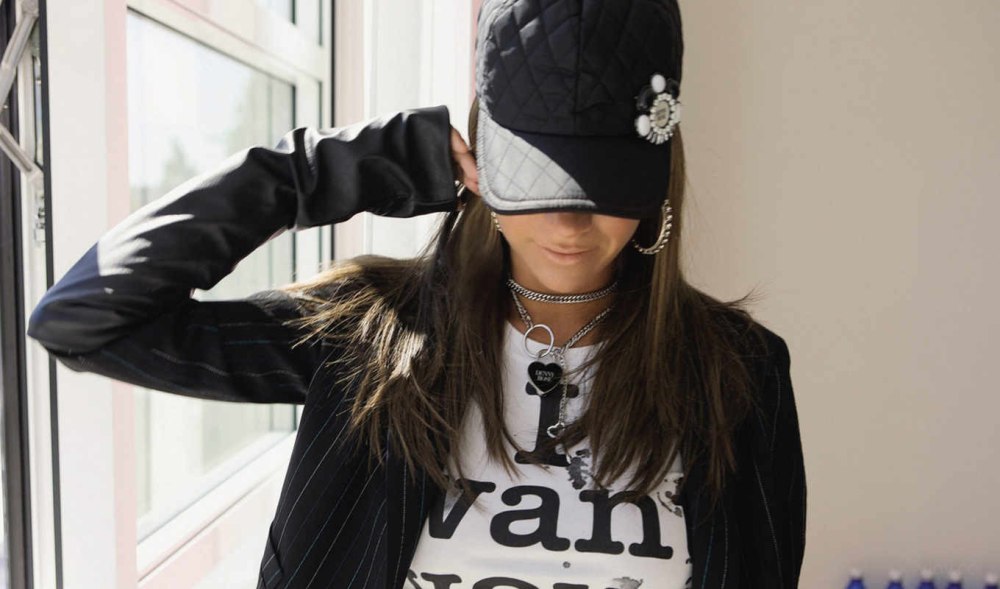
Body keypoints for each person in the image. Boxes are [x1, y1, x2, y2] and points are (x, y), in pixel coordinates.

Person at [26, 0, 806, 587]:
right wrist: (353, 166)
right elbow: (82, 320)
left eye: (603, 181)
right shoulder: (367, 339)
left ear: (658, 171)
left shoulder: (739, 373)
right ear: (483, 164)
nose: (569, 220)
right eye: (539, 178)